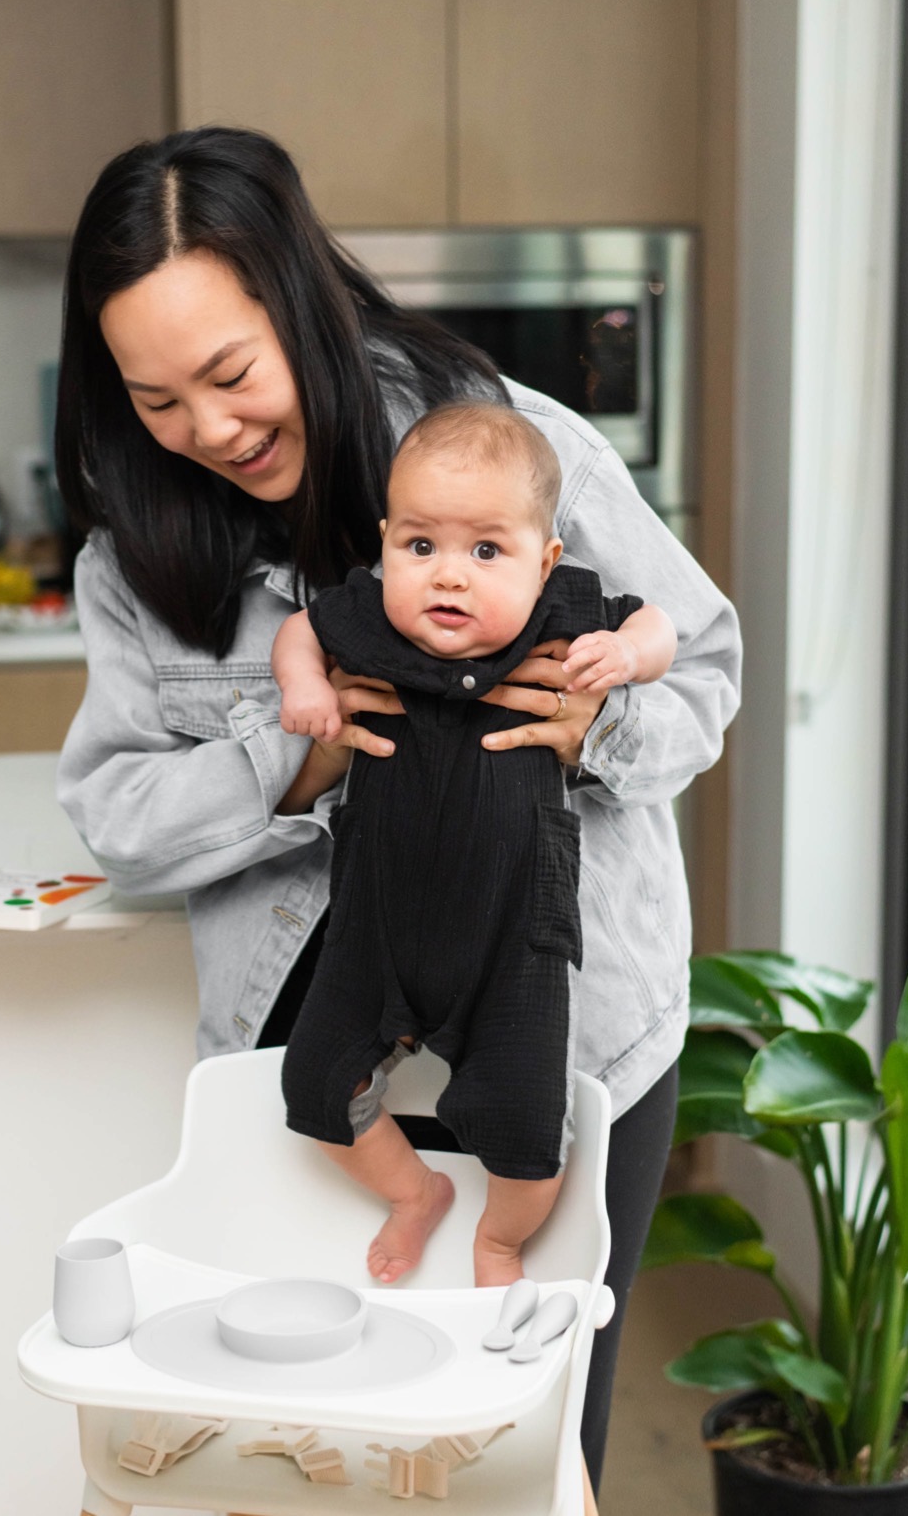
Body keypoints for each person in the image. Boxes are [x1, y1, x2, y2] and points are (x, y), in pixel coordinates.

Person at [52, 128, 739, 1488]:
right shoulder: (135, 559)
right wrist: (293, 760)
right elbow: (115, 813)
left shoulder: (522, 449)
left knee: (521, 1446)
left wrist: (590, 720)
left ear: (299, 307)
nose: (207, 429)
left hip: (573, 1023)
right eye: (154, 398)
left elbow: (702, 662)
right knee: (323, 1455)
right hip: (315, 1052)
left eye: (229, 374)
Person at [270, 401, 676, 1288]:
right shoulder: (368, 620)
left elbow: (662, 625)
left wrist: (624, 653)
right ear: (385, 543)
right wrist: (303, 684)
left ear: (545, 561)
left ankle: (498, 1240)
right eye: (419, 547)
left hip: (515, 939)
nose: (447, 577)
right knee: (312, 1089)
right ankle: (413, 1194)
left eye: (485, 551)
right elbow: (301, 630)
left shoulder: (559, 617)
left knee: (529, 1134)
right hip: (372, 931)